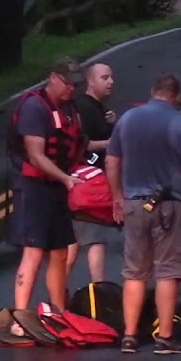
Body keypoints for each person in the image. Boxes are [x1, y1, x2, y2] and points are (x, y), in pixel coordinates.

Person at [105, 73, 181, 355]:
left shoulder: (128, 119)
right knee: (168, 271)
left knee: (135, 271)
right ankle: (165, 338)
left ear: (152, 91)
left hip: (134, 203)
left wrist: (116, 197)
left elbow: (112, 160)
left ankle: (130, 335)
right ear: (177, 96)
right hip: (170, 206)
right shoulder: (180, 122)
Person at [5, 58, 87, 322]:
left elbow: (80, 143)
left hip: (57, 187)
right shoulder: (34, 108)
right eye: (67, 84)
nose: (71, 89)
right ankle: (20, 316)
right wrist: (66, 178)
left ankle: (59, 311)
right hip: (33, 187)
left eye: (75, 85)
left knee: (61, 249)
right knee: (34, 250)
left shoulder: (70, 109)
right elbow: (36, 155)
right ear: (53, 78)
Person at [65, 62, 117, 284]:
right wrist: (110, 142)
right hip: (89, 182)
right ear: (91, 81)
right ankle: (99, 289)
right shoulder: (84, 108)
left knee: (74, 241)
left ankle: (58, 292)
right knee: (95, 239)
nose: (110, 82)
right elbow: (82, 144)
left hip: (86, 182)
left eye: (111, 77)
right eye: (104, 78)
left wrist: (112, 124)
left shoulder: (99, 108)